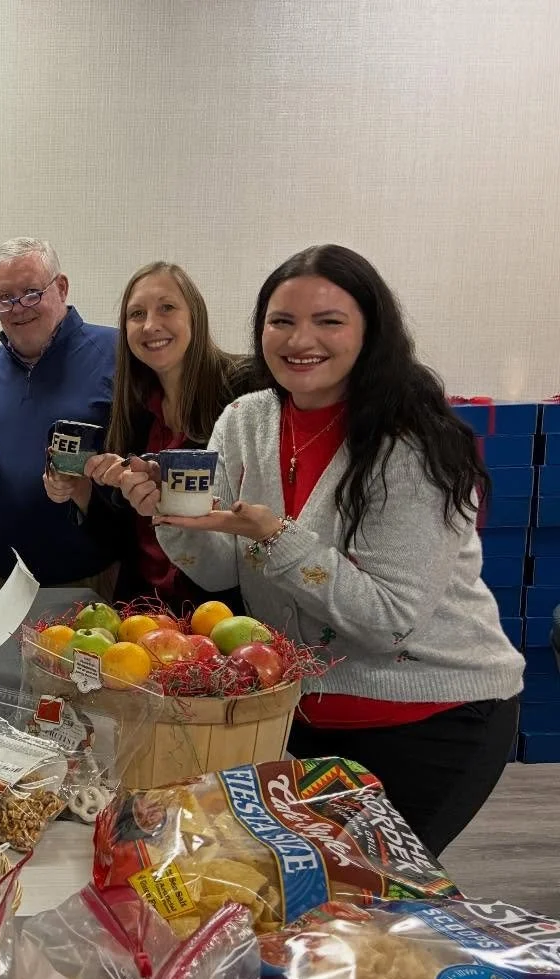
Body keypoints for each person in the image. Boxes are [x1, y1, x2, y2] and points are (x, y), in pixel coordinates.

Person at [117, 244, 524, 856]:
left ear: (370, 331)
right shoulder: (247, 418)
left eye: (328, 321)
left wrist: (275, 536)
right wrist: (170, 516)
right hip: (306, 714)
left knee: (375, 900)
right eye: (282, 321)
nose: (300, 339)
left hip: (432, 717)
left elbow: (387, 622)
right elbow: (219, 567)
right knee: (303, 894)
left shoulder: (409, 444)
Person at [63, 262, 246, 610]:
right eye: (136, 314)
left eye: (167, 307)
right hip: (144, 612)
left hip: (225, 617)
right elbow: (120, 539)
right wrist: (85, 492)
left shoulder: (245, 391)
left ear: (195, 314)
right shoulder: (132, 409)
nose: (150, 325)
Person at [0, 237, 121, 590]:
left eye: (30, 293)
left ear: (62, 288)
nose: (18, 307)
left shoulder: (116, 356)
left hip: (88, 578)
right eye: (6, 298)